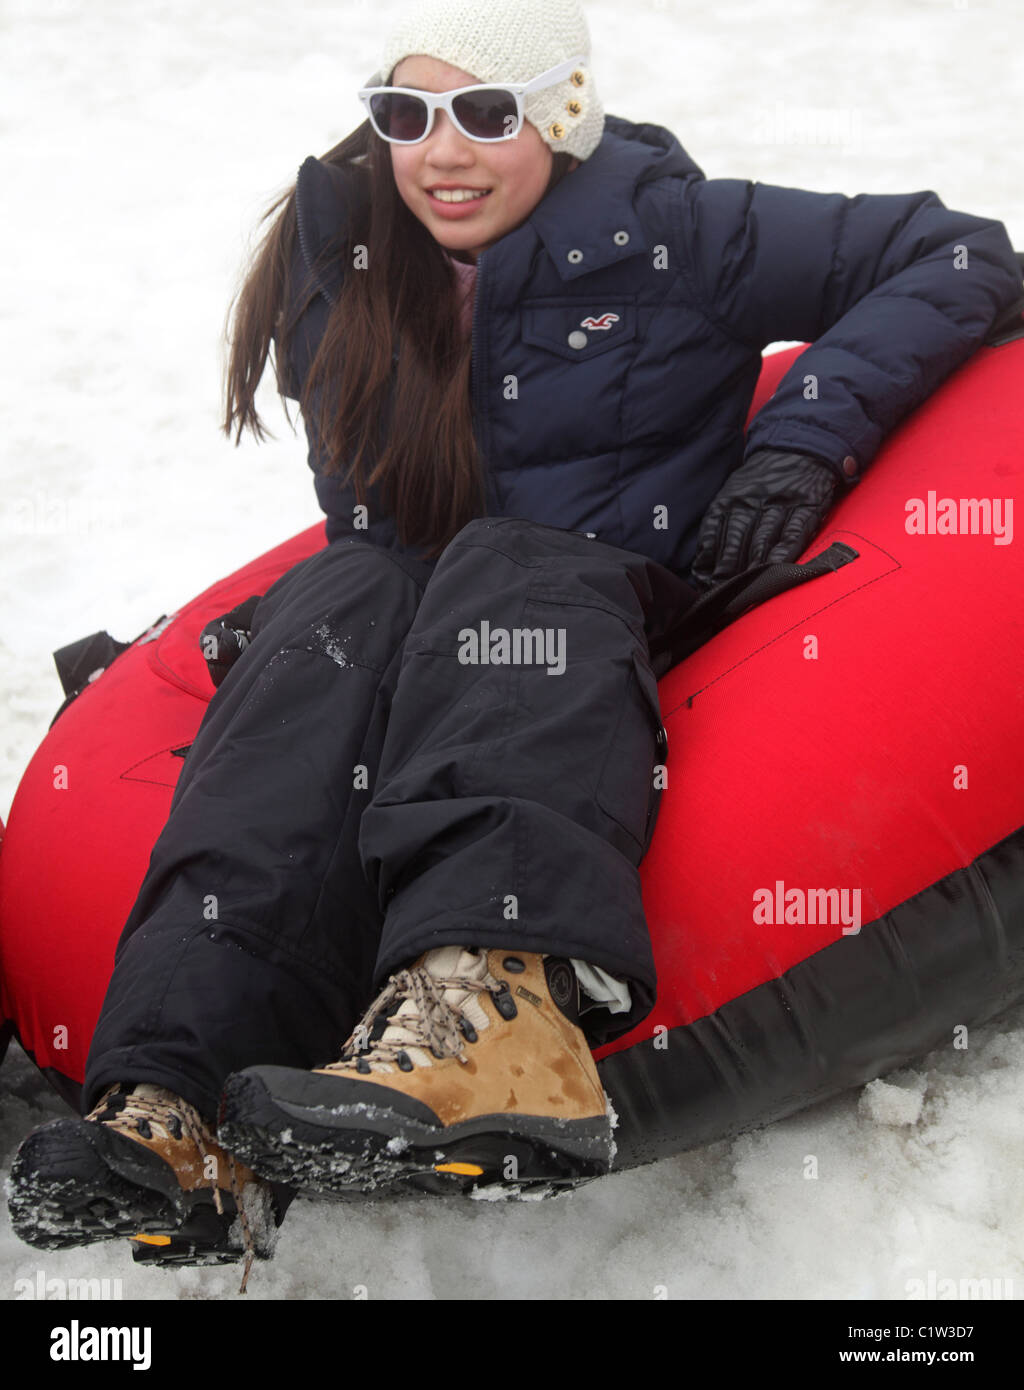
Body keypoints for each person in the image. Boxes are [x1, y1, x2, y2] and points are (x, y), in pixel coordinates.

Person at [8, 0, 1021, 1291]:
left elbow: (952, 253)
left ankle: (494, 1013)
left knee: (500, 565)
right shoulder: (344, 260)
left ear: (561, 113)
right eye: (405, 115)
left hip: (597, 612)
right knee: (329, 615)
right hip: (425, 636)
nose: (442, 151)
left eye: (486, 114)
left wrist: (800, 443)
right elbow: (364, 531)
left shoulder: (670, 231)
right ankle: (179, 1103)